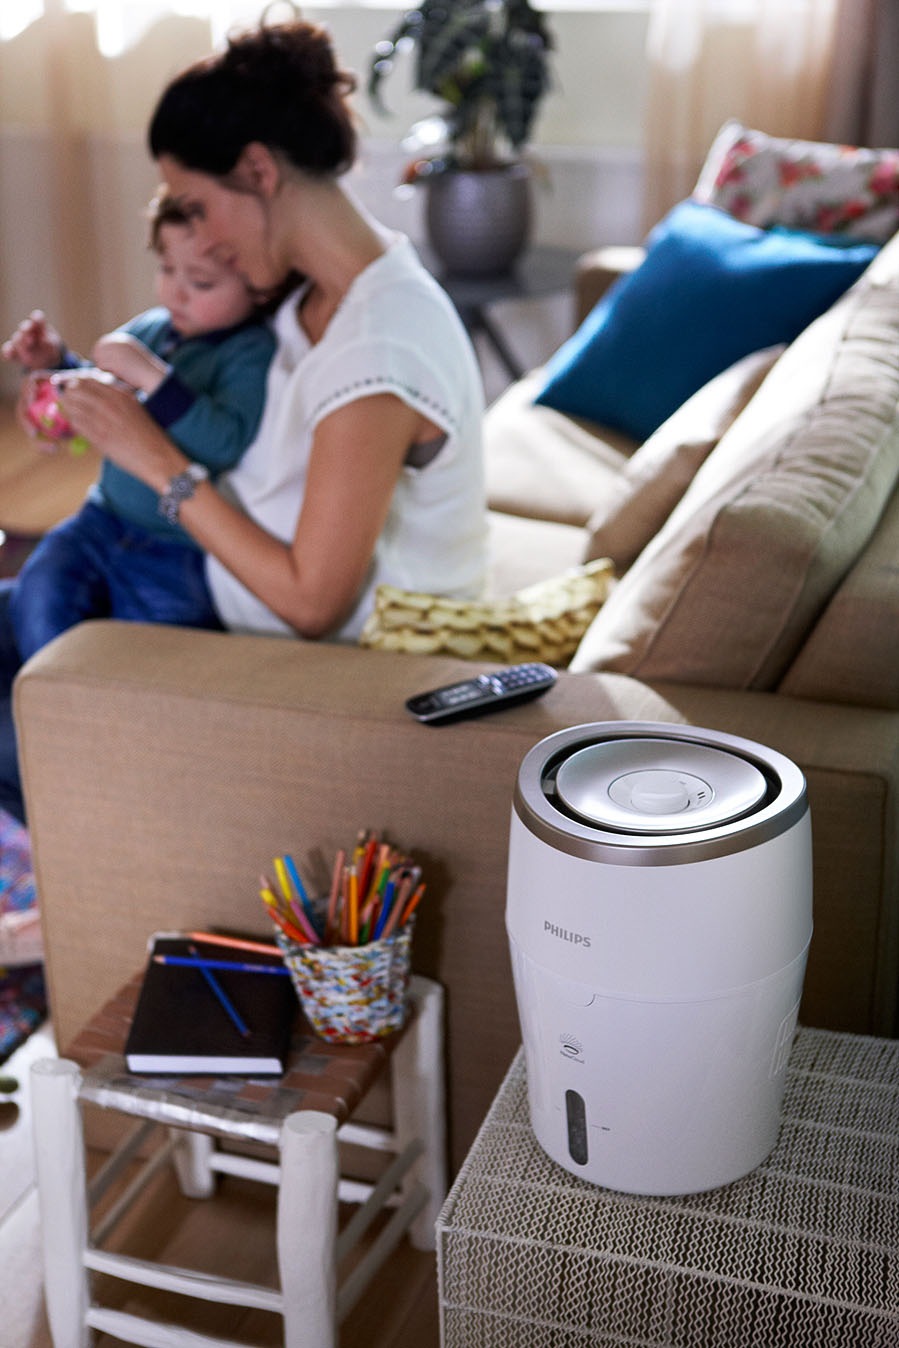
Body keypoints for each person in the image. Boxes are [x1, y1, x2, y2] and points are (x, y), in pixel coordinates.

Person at [0, 16, 488, 824]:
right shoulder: (315, 287)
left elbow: (311, 604)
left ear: (259, 171)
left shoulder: (379, 345)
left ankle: (84, 843)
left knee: (26, 714)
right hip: (203, 587)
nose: (199, 238)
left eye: (197, 205)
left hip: (280, 655)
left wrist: (154, 460)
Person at [2, 189, 279, 661]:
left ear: (260, 285)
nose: (175, 293)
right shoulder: (154, 327)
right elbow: (107, 394)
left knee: (159, 651)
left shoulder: (250, 353)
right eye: (167, 269)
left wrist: (153, 376)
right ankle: (45, 686)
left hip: (179, 548)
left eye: (201, 282)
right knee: (41, 591)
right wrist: (56, 365)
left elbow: (226, 441)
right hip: (100, 519)